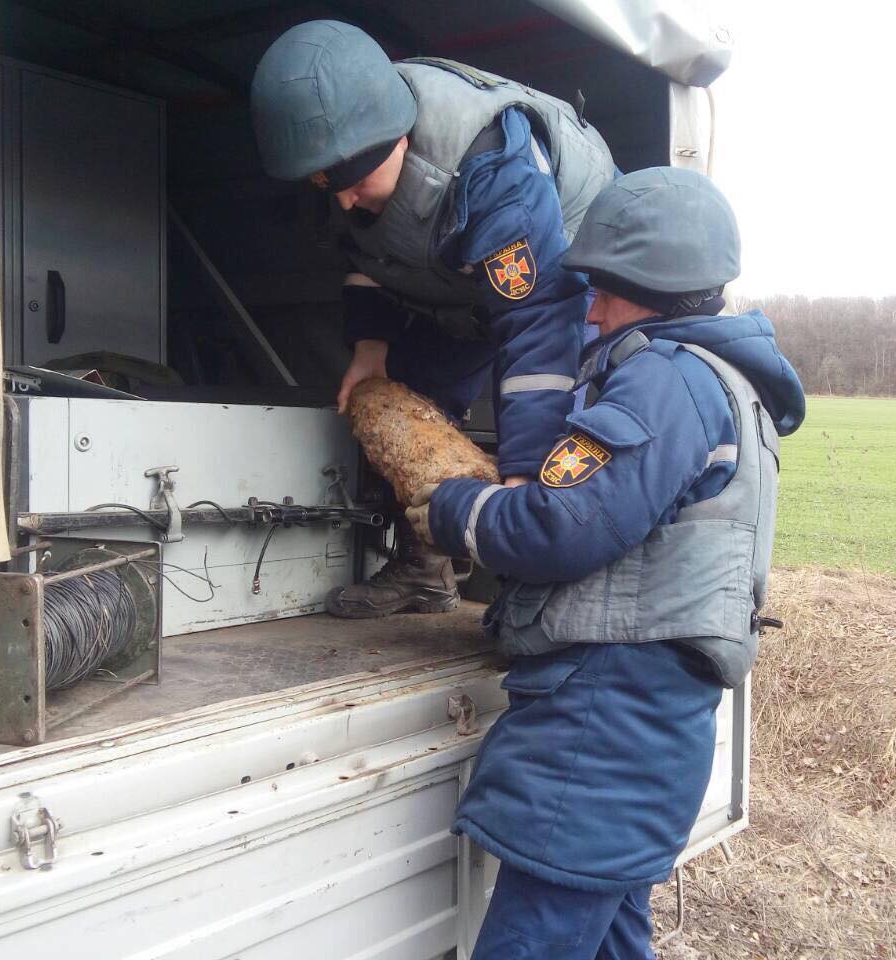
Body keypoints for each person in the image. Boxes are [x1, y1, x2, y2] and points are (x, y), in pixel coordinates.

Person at [406, 167, 806, 958]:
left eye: (604, 291)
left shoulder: (664, 380)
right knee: (614, 936)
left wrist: (454, 509)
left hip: (604, 733)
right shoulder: (727, 385)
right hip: (642, 732)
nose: (588, 308)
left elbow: (565, 524)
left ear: (653, 292)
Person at [250, 20, 616, 619]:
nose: (341, 199)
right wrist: (371, 345)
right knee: (402, 397)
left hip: (565, 274)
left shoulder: (495, 172)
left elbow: (539, 324)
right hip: (463, 280)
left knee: (567, 414)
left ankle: (553, 593)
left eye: (350, 181)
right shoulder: (348, 148)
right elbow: (370, 253)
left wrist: (523, 478)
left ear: (397, 139)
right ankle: (426, 569)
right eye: (325, 184)